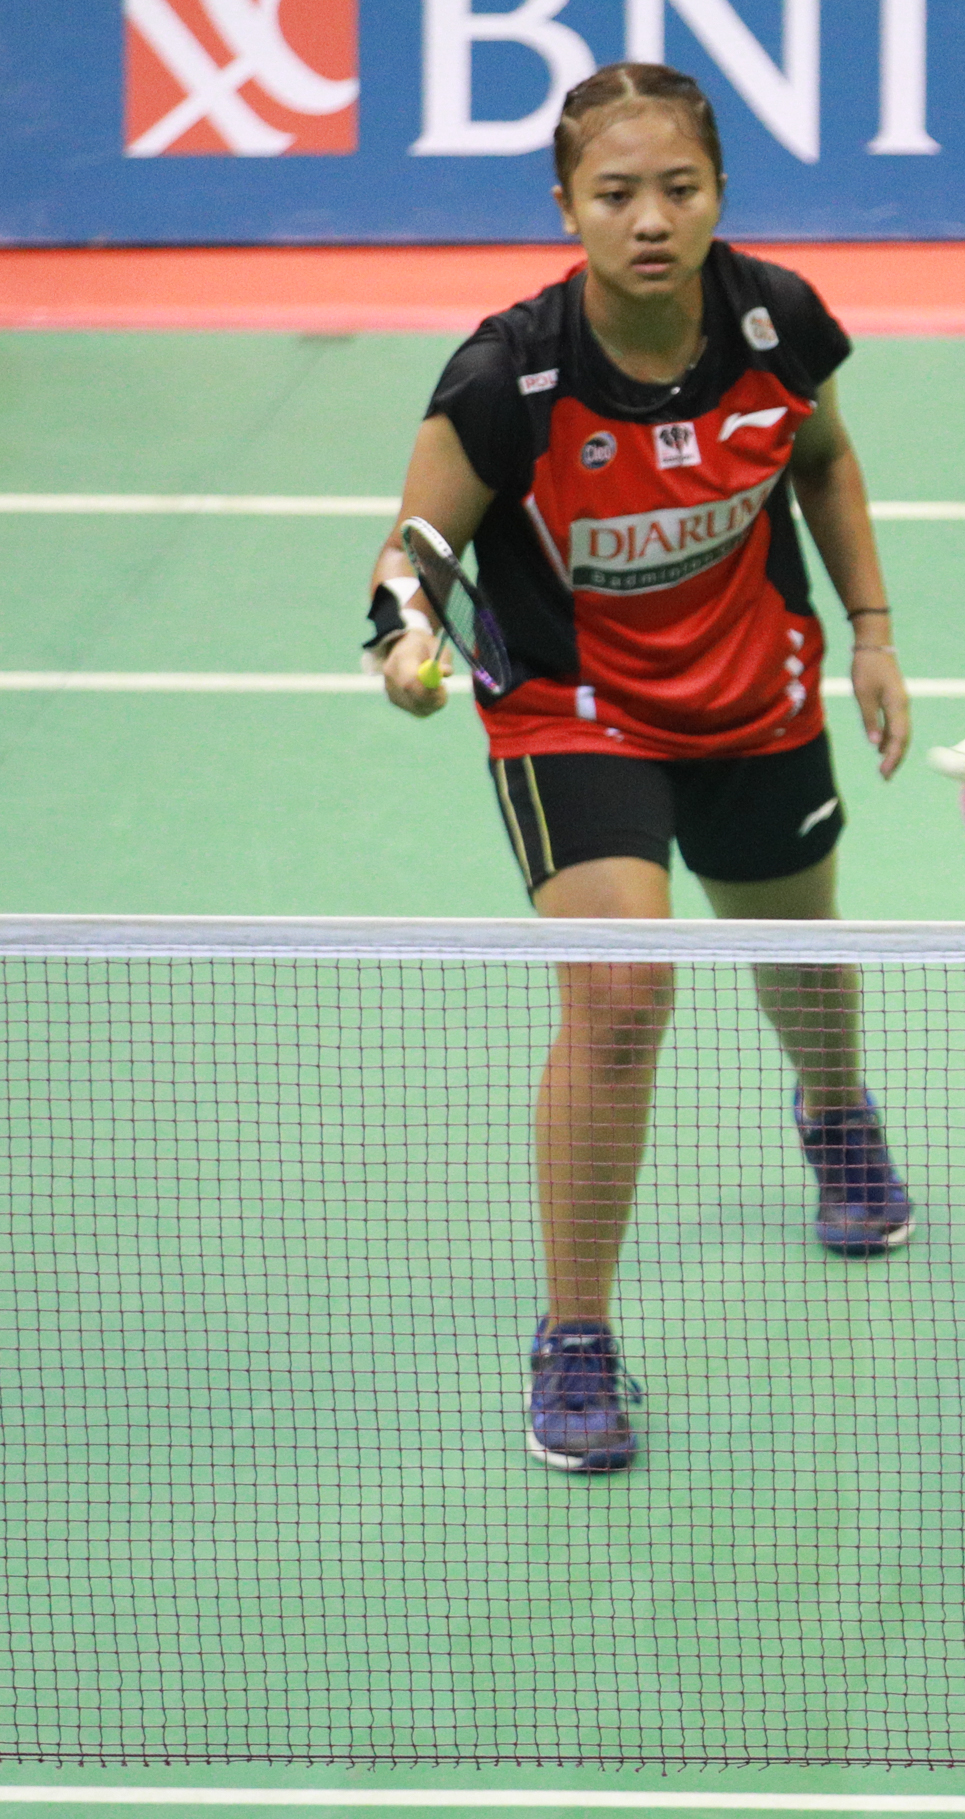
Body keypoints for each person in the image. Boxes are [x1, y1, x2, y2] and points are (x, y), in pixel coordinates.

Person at [362, 63, 916, 1477]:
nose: (651, 219)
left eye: (679, 189)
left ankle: (835, 1113)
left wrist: (870, 632)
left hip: (753, 687)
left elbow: (824, 461)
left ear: (720, 193)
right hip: (574, 711)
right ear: (568, 207)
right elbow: (415, 553)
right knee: (619, 1001)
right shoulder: (507, 376)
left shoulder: (776, 320)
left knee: (799, 952)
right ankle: (575, 1334)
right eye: (616, 194)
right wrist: (405, 638)